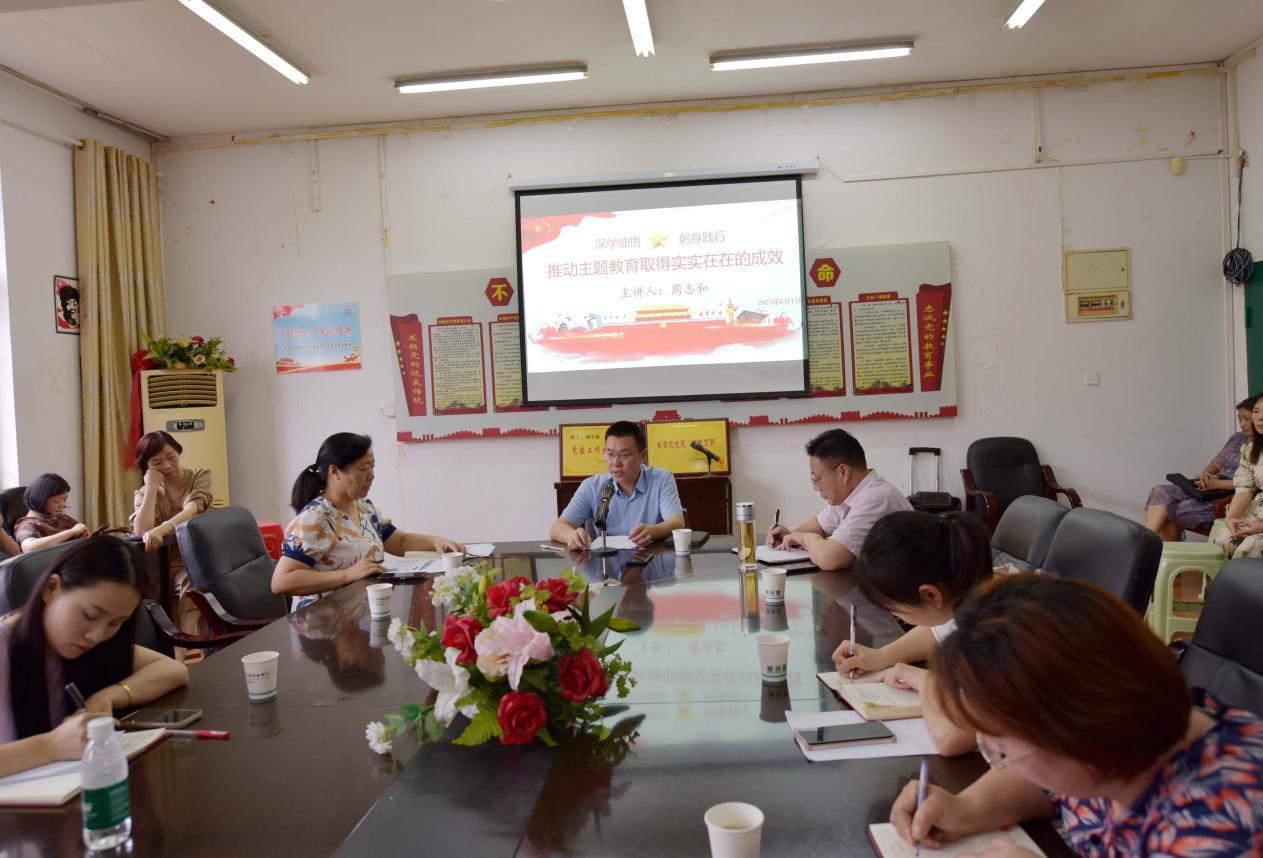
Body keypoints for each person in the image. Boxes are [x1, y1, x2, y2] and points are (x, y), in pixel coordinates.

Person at [888, 574, 1263, 856]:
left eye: (1001, 752)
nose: (1005, 763)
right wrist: (967, 808)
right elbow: (1046, 782)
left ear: (1073, 734)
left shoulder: (1227, 824)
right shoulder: (1118, 738)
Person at [0, 537, 188, 778]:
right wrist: (51, 746)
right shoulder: (6, 645)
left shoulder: (91, 644)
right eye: (89, 615)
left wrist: (108, 696)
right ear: (51, 589)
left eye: (115, 623)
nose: (98, 635)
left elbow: (173, 670)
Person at [831, 511, 991, 755]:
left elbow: (951, 740)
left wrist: (924, 681)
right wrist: (881, 656)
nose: (897, 617)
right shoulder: (973, 595)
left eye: (896, 611)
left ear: (930, 595)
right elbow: (937, 630)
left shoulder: (997, 635)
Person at [272, 432, 462, 611]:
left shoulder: (363, 507)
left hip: (359, 613)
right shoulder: (316, 517)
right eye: (363, 468)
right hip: (322, 621)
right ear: (335, 471)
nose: (371, 475)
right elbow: (281, 581)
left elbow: (400, 542)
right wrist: (347, 575)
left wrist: (435, 541)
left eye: (372, 467)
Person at [767, 428, 912, 571]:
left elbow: (828, 559)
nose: (816, 487)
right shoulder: (851, 494)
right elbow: (820, 524)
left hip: (901, 584)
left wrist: (806, 538)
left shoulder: (876, 499)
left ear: (843, 471)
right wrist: (788, 535)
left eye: (816, 478)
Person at [130, 430, 215, 644]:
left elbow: (192, 510)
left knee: (195, 578)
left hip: (201, 555)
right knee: (187, 580)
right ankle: (183, 647)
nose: (167, 466)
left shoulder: (199, 476)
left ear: (178, 452)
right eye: (157, 462)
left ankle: (183, 647)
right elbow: (141, 531)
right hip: (168, 563)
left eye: (171, 457)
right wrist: (151, 487)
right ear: (146, 466)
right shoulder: (144, 493)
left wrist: (162, 529)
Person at [550, 421, 685, 550]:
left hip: (650, 560)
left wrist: (652, 531)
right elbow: (558, 527)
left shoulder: (661, 479)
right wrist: (572, 536)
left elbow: (677, 522)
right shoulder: (592, 487)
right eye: (610, 454)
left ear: (643, 455)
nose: (615, 463)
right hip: (605, 562)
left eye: (624, 455)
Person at [1146, 395, 1256, 540]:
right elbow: (1216, 464)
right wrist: (1206, 476)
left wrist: (1218, 484)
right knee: (1160, 491)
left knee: (1175, 510)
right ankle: (1147, 540)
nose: (1242, 424)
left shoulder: (1258, 446)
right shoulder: (1237, 438)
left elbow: (1252, 483)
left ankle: (1152, 547)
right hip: (1211, 486)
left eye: (1246, 419)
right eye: (1239, 419)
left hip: (1230, 493)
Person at [1216, 395, 1263, 558]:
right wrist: (1232, 520)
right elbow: (1244, 490)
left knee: (1251, 546)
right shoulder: (1249, 450)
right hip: (1255, 515)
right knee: (1226, 538)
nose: (1260, 417)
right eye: (1256, 411)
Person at [13, 473, 88, 553]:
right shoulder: (27, 524)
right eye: (56, 501)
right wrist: (72, 532)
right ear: (40, 500)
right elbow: (29, 548)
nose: (62, 505)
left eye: (65, 499)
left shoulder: (60, 516)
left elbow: (82, 531)